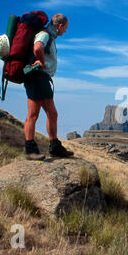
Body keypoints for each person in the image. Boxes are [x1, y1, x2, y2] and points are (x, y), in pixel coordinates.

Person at [23, 13, 74, 160]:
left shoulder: (49, 36)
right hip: (38, 77)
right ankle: (31, 150)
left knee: (51, 114)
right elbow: (38, 47)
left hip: (40, 78)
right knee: (34, 115)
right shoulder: (45, 35)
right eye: (65, 28)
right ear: (60, 26)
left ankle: (54, 146)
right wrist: (41, 61)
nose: (65, 31)